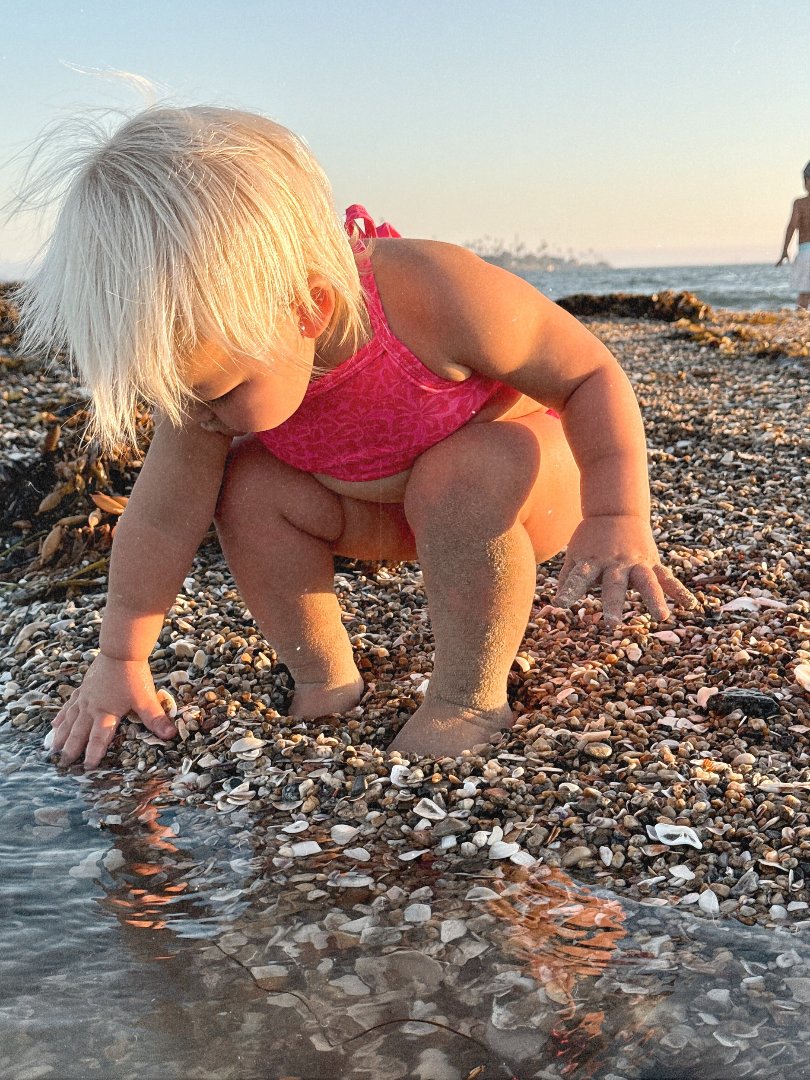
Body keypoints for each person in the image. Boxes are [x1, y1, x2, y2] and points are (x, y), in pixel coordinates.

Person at [18, 105, 697, 770]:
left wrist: (616, 514)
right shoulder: (213, 381)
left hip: (524, 498)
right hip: (384, 511)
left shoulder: (434, 292)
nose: (197, 415)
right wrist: (119, 659)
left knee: (461, 472)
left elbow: (587, 374)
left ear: (310, 306)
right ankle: (323, 679)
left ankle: (469, 699)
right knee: (247, 486)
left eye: (213, 392)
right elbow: (163, 521)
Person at [776, 161, 810, 309]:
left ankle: (800, 321)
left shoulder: (800, 203)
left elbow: (791, 227)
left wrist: (784, 251)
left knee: (803, 295)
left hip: (805, 253)